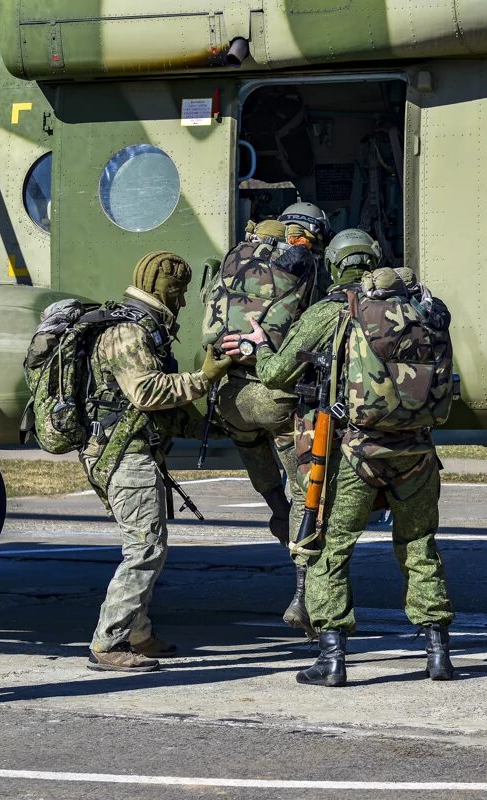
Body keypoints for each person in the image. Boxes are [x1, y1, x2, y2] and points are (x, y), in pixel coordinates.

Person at [220, 229, 456, 687]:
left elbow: (273, 373)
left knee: (332, 550)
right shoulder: (421, 308)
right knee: (420, 545)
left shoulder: (329, 313)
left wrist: (257, 345)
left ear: (333, 265)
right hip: (418, 450)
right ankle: (438, 653)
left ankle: (332, 659)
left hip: (355, 451)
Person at [83, 252, 231, 672]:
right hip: (123, 456)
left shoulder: (148, 329)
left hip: (134, 451)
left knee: (148, 546)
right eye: (176, 290)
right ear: (154, 284)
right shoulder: (129, 332)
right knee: (144, 549)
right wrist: (203, 379)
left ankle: (138, 634)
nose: (182, 301)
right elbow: (146, 393)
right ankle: (108, 641)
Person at [202, 209, 327, 638]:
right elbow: (308, 325)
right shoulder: (300, 263)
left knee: (269, 483)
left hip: (226, 398)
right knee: (306, 493)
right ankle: (303, 597)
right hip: (272, 397)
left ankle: (276, 513)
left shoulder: (235, 256)